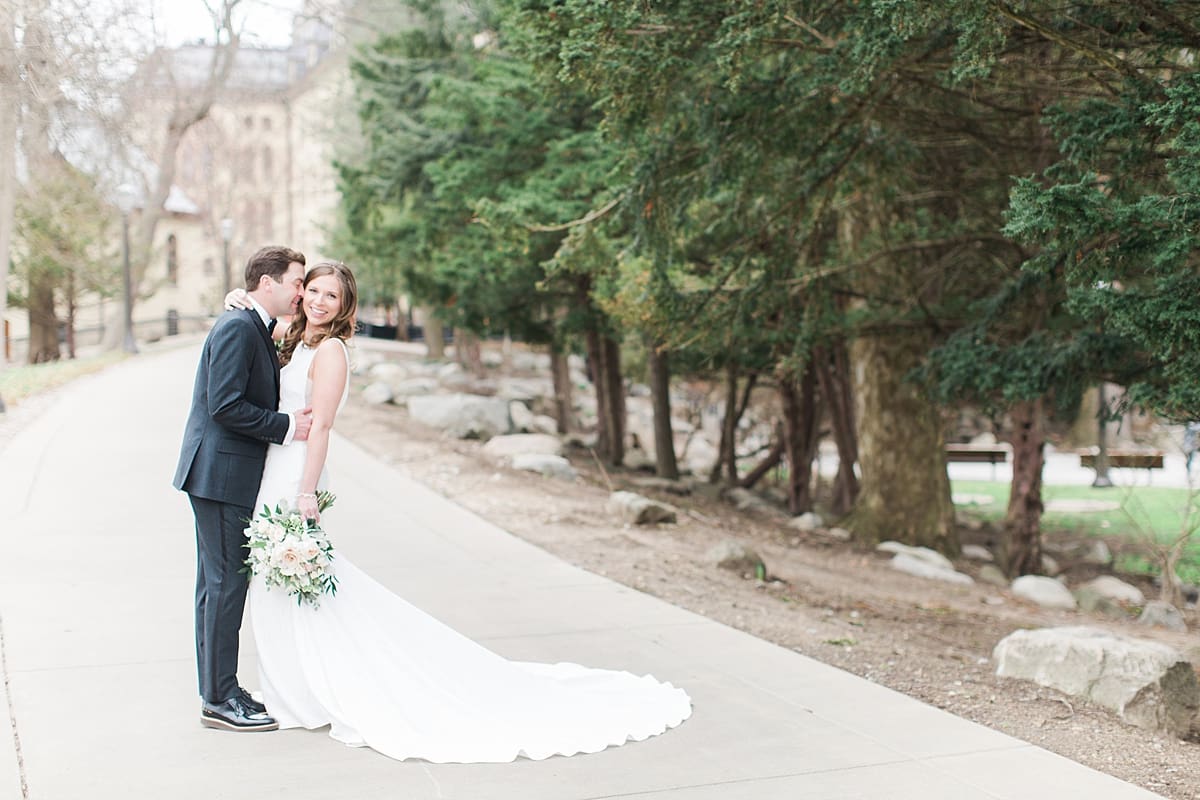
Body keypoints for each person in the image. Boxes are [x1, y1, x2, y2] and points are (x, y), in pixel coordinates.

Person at [247, 261, 692, 762]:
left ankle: (304, 693)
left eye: (332, 295)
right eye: (314, 290)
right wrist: (239, 300)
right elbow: (261, 315)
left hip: (295, 475)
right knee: (280, 581)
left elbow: (322, 426)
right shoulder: (298, 338)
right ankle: (296, 689)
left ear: (345, 304)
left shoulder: (330, 351)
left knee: (296, 578)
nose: (320, 301)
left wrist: (307, 492)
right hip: (276, 466)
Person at [173, 245, 313, 733]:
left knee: (217, 586)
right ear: (267, 282)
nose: (301, 291)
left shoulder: (253, 323)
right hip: (220, 473)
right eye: (297, 282)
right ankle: (219, 697)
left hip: (222, 473)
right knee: (225, 585)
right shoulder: (238, 326)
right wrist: (286, 425)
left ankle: (218, 689)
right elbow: (225, 405)